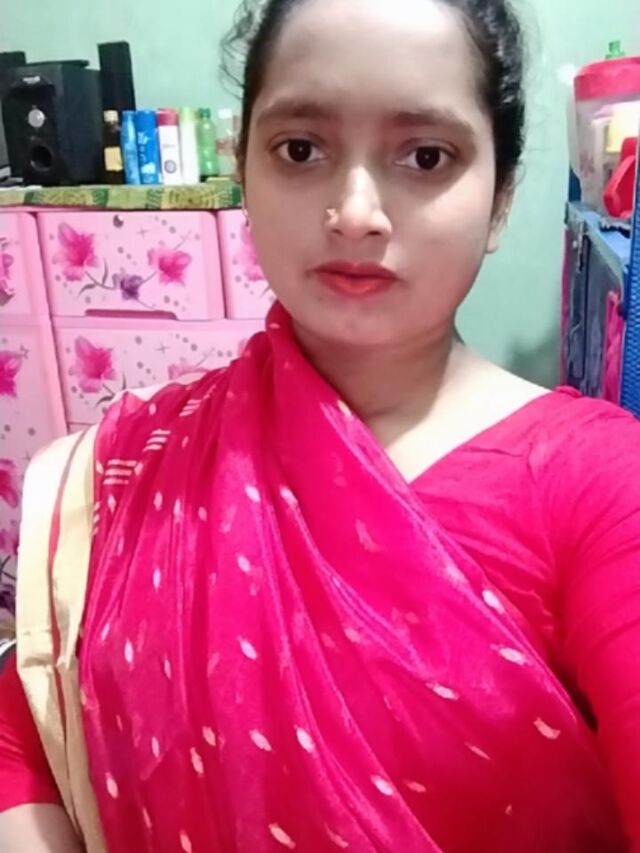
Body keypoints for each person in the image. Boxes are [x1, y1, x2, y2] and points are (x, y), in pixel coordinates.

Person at [0, 0, 639, 849]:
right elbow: (26, 736)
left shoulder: (598, 483)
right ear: (244, 166)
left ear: (500, 198)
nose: (355, 210)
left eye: (426, 155)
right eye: (301, 149)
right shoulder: (137, 463)